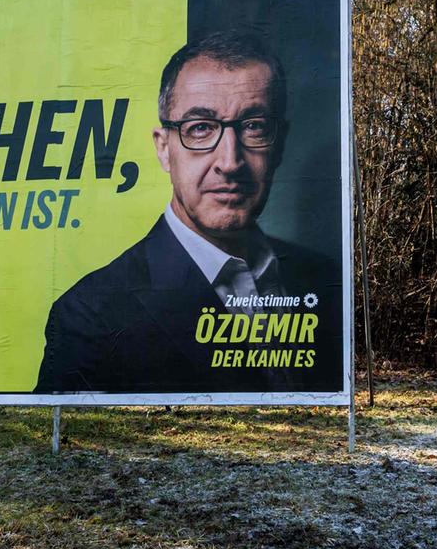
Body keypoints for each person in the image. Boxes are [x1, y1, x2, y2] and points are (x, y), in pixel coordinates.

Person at [34, 30, 341, 394]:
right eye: (200, 128)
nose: (230, 161)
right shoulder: (90, 315)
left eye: (254, 126)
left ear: (280, 144)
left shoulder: (326, 278)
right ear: (164, 150)